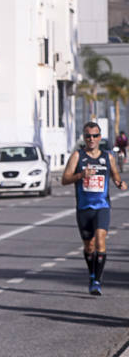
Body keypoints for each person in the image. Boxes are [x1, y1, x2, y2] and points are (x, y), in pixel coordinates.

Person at [61, 122, 127, 295]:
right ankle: (91, 273)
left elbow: (114, 173)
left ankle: (97, 280)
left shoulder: (108, 156)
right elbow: (64, 179)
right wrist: (81, 175)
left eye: (95, 136)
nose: (91, 139)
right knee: (89, 246)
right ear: (84, 137)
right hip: (84, 208)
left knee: (100, 241)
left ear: (100, 137)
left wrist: (119, 182)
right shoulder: (77, 156)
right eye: (88, 136)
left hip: (102, 206)